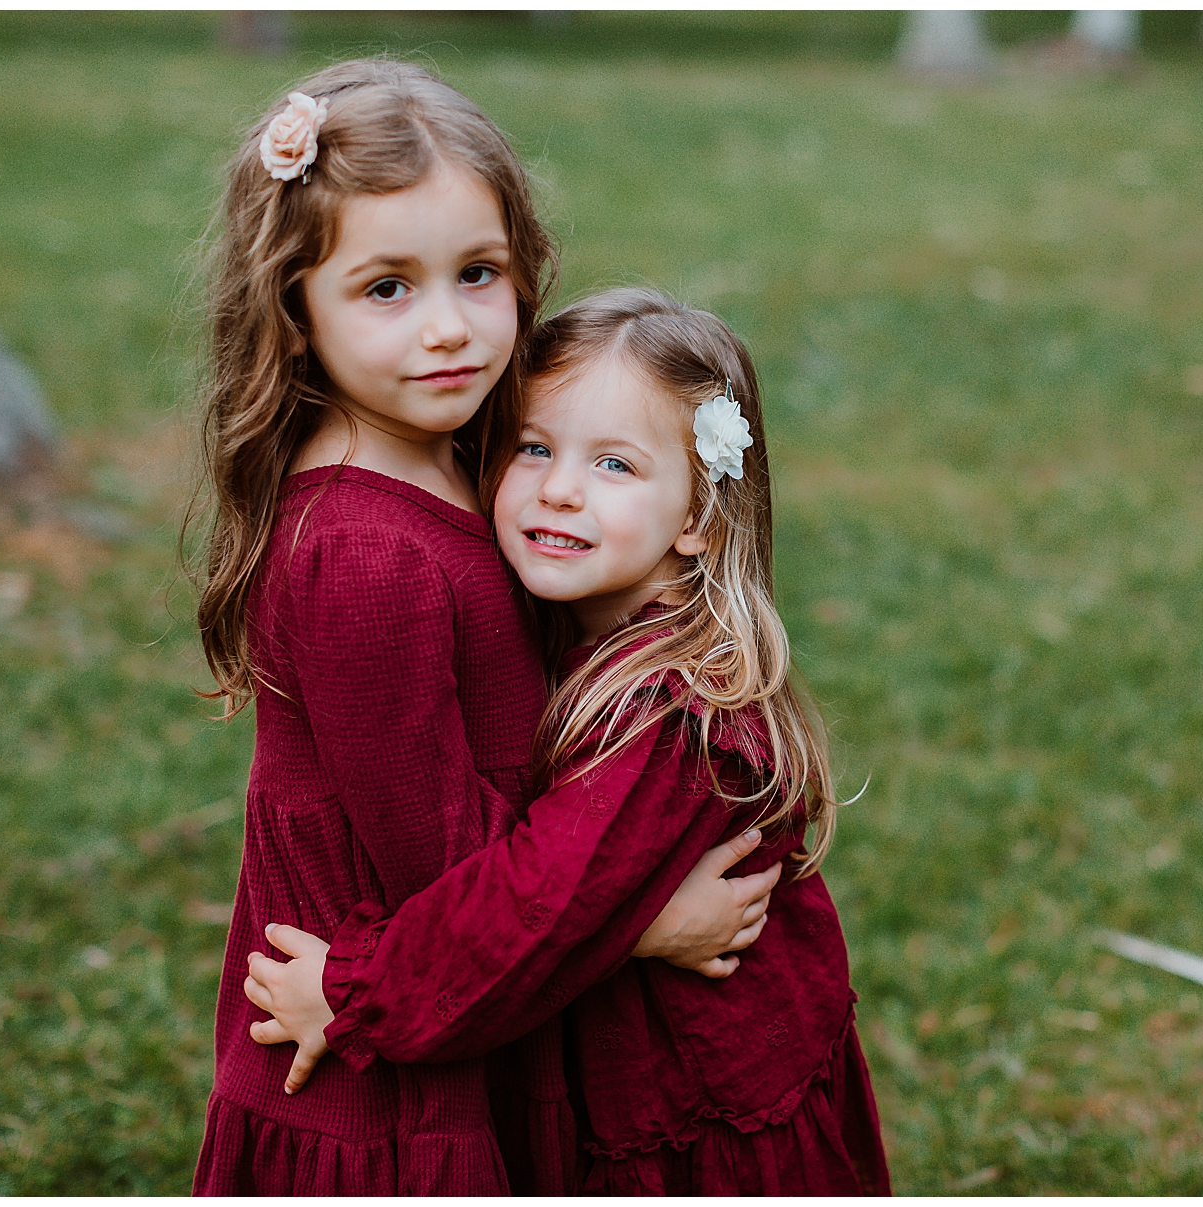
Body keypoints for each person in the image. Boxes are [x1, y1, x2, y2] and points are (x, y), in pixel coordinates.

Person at [187, 66, 776, 1196]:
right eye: (386, 289)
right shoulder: (362, 555)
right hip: (379, 1073)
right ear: (294, 310)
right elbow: (451, 871)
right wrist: (644, 923)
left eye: (479, 274)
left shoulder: (461, 457)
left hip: (466, 1006)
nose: (450, 329)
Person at [245, 288, 892, 1195]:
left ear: (701, 516)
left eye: (615, 465)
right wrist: (646, 928)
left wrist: (355, 993)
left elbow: (535, 903)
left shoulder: (672, 710)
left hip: (699, 1126)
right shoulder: (571, 632)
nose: (558, 487)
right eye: (535, 447)